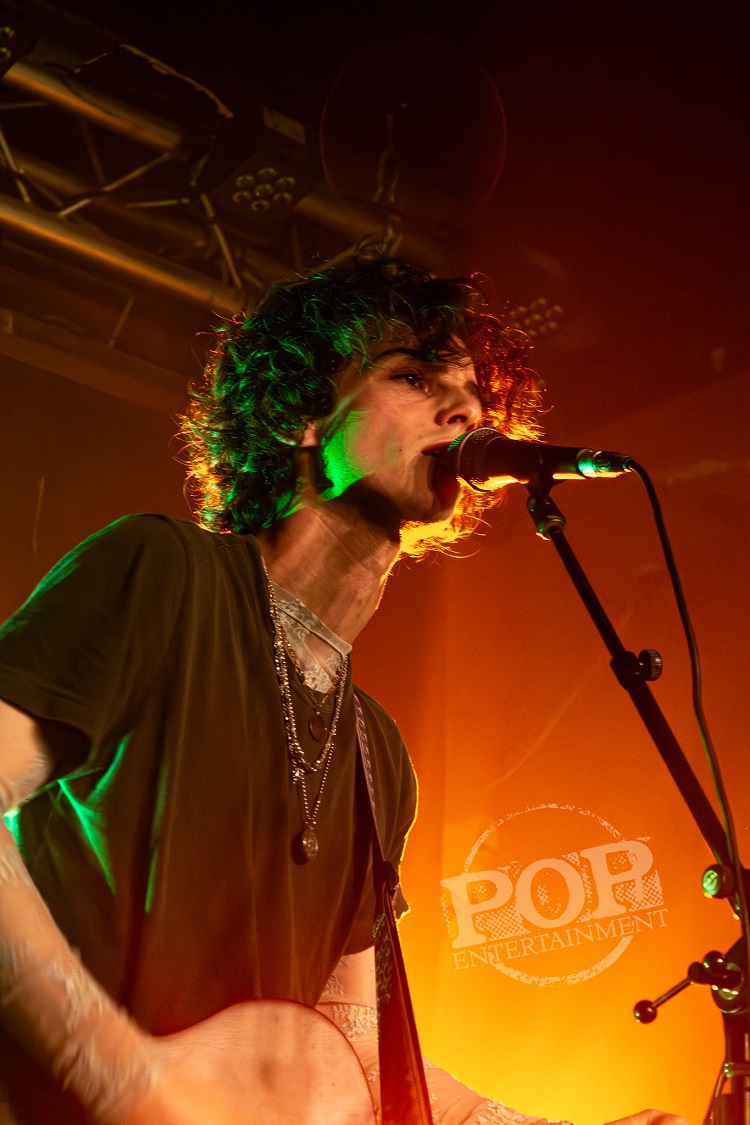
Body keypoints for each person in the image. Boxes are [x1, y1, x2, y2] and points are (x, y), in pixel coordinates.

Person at [0, 257, 686, 1125]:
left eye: (474, 394)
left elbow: (355, 1056)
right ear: (297, 414)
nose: (464, 412)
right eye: (414, 377)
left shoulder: (378, 756)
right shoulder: (160, 575)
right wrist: (116, 1072)